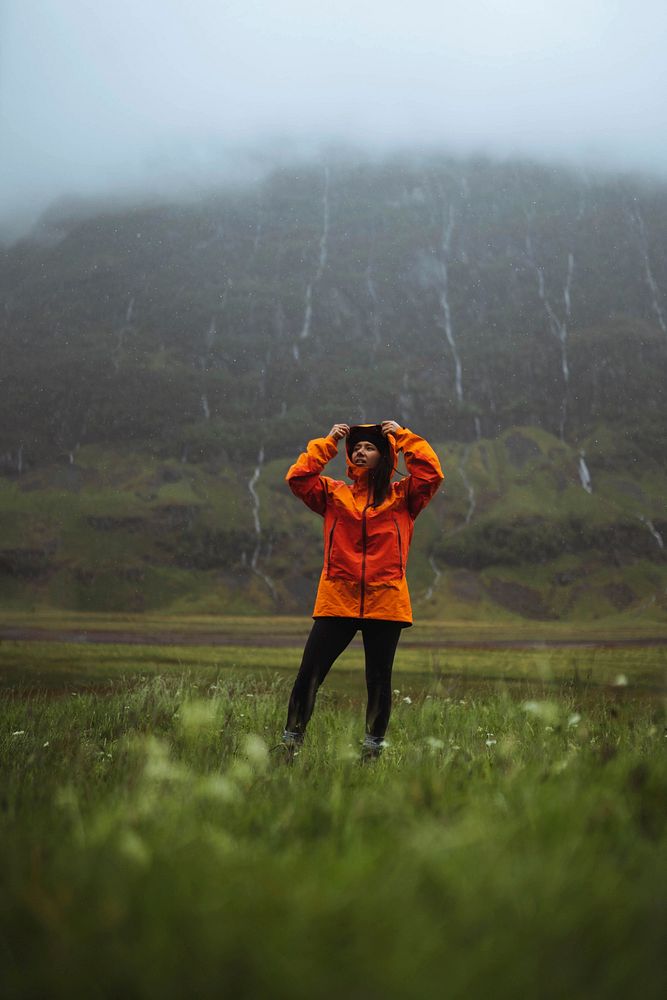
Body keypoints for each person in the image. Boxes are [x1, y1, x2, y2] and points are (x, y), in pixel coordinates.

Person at [278, 420, 444, 762]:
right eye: (356, 448)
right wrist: (328, 442)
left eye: (369, 447)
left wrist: (402, 436)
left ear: (385, 456)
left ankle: (372, 754)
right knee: (309, 673)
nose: (360, 451)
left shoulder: (404, 496)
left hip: (387, 602)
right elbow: (298, 478)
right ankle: (290, 744)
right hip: (337, 599)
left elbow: (431, 473)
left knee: (379, 681)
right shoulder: (333, 494)